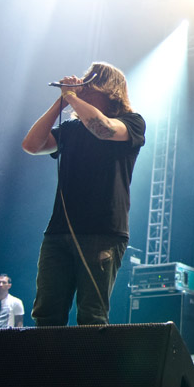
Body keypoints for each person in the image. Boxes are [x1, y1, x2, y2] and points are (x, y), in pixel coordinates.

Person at [22, 61, 145, 326]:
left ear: (109, 89)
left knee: (92, 316)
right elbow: (31, 145)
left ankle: (88, 357)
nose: (82, 89)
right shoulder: (71, 129)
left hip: (103, 232)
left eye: (89, 84)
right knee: (46, 313)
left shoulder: (132, 123)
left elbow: (105, 129)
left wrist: (72, 97)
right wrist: (61, 103)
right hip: (58, 232)